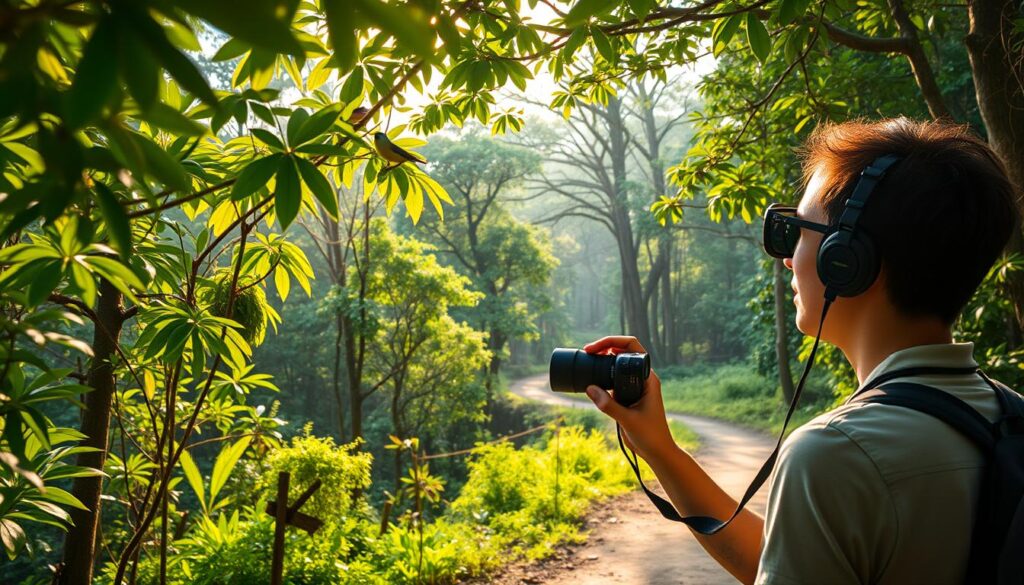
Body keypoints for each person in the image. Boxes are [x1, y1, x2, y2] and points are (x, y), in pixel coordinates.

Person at [582, 118, 1021, 584]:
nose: (788, 258)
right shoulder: (1010, 419)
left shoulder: (837, 455)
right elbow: (792, 560)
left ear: (846, 260)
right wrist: (661, 450)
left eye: (798, 230)